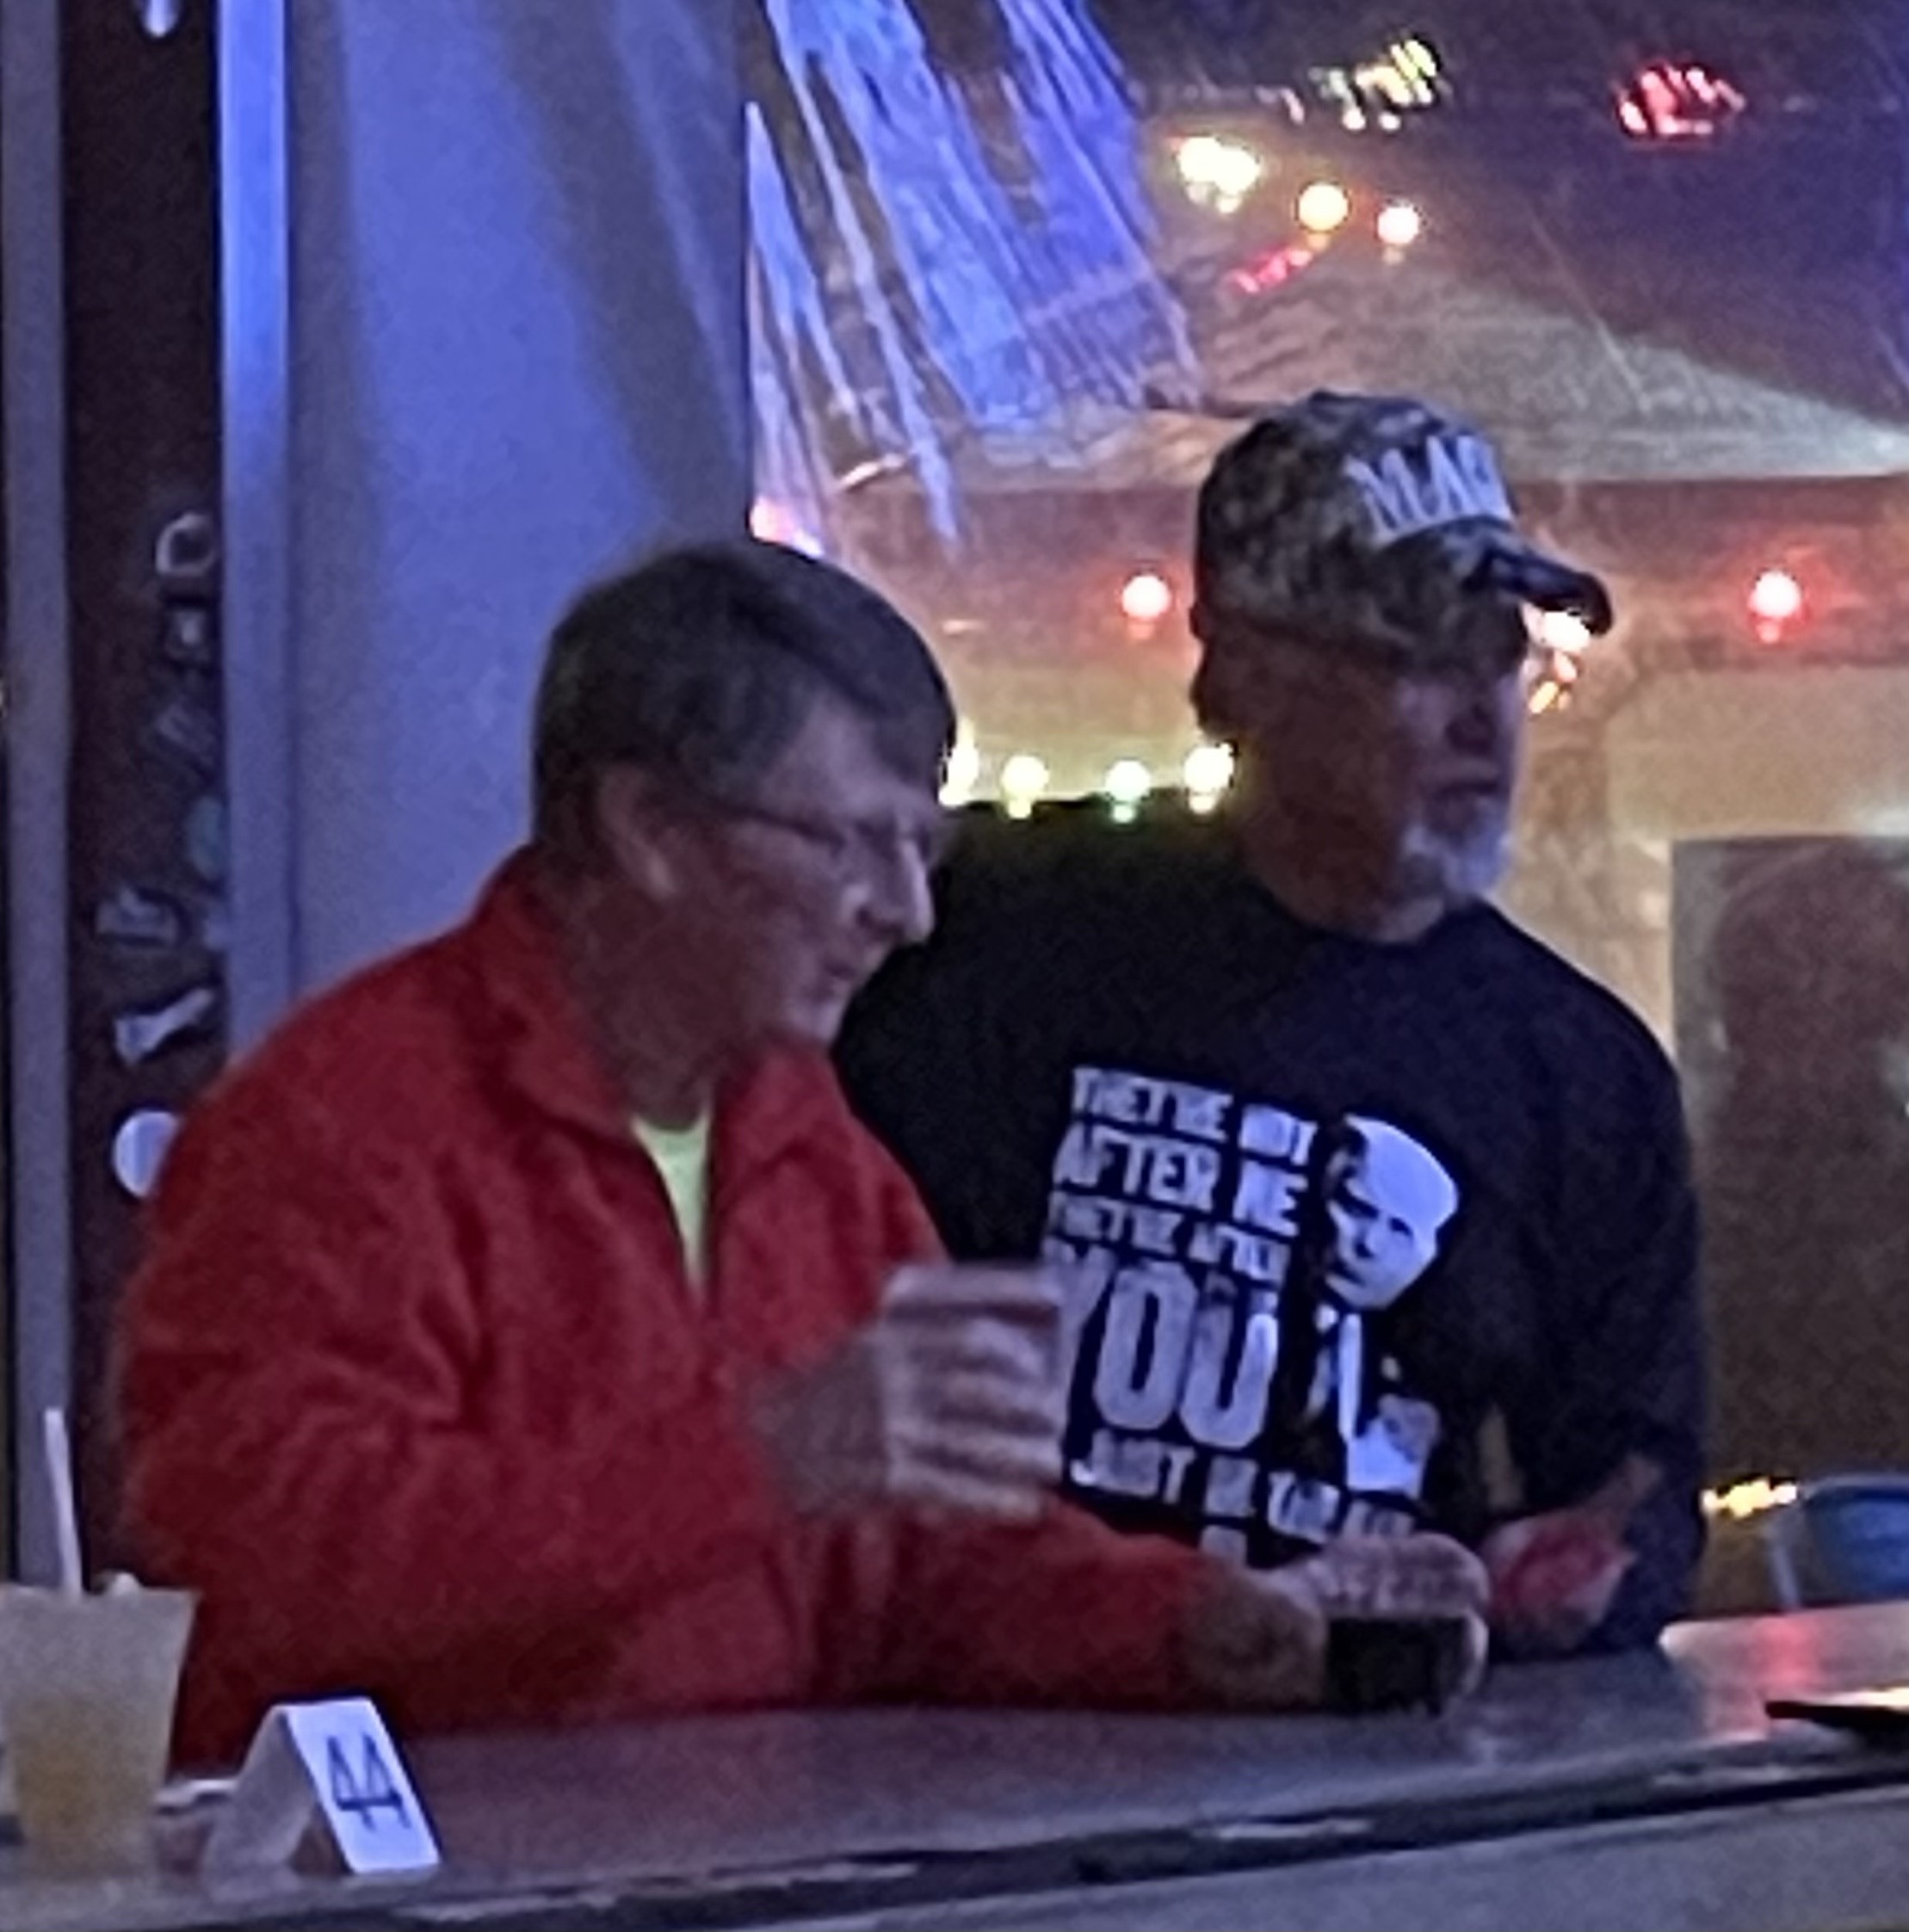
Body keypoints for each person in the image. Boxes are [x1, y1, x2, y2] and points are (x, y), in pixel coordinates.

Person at [116, 537, 1489, 1765]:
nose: (904, 912)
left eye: (922, 850)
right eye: (852, 843)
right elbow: (260, 1567)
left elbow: (938, 1573)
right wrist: (757, 1457)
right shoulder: (339, 1123)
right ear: (648, 829)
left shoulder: (812, 1147)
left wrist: (1198, 1623)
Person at [838, 392, 1707, 1658]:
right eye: (1415, 656)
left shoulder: (1580, 1070)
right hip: (983, 1721)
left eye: (1498, 652)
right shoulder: (979, 935)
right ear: (1246, 670)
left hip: (1354, 1743)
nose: (1482, 715)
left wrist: (1583, 1568)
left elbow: (1631, 1480)